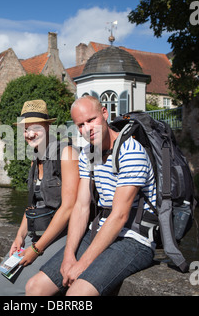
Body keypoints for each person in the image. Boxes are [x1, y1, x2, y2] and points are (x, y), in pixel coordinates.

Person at [25, 95, 156, 296]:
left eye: (91, 120)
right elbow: (81, 206)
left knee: (76, 295)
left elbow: (120, 215)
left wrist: (83, 263)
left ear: (105, 113)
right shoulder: (88, 153)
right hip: (99, 230)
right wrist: (69, 255)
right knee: (34, 288)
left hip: (134, 238)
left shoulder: (130, 151)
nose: (87, 128)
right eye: (80, 125)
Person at [0, 99, 79, 296]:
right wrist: (20, 236)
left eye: (36, 128)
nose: (30, 134)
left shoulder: (66, 153)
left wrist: (36, 249)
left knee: (23, 290)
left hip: (63, 236)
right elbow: (32, 207)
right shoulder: (35, 161)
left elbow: (68, 208)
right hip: (36, 235)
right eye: (26, 129)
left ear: (48, 127)